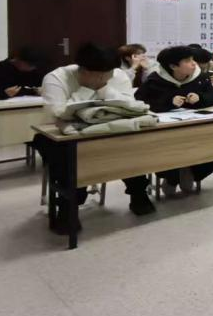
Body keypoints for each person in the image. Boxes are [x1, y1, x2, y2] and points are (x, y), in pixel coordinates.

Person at [39, 43, 154, 229]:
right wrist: (86, 89)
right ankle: (68, 205)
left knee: (132, 145)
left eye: (108, 73)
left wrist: (102, 88)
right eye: (99, 74)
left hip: (110, 129)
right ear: (83, 69)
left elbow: (130, 106)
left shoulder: (117, 75)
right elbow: (58, 114)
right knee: (68, 156)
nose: (104, 78)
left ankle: (138, 193)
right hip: (67, 134)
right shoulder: (56, 78)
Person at [135, 45, 213, 197]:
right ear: (173, 66)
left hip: (197, 127)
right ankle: (173, 178)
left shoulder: (200, 77)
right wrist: (168, 102)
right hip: (166, 132)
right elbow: (139, 104)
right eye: (188, 61)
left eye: (193, 59)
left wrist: (200, 98)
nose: (194, 63)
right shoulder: (155, 80)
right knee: (168, 151)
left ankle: (189, 173)